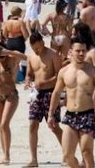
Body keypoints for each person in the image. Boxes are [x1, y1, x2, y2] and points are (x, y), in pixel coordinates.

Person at [48, 37, 95, 168]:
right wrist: (50, 114)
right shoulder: (64, 72)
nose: (81, 54)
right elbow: (57, 93)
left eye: (83, 51)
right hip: (70, 115)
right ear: (71, 52)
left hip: (87, 115)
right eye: (78, 51)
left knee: (87, 152)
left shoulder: (93, 71)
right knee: (67, 155)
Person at [25, 33, 63, 167]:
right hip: (36, 94)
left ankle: (67, 154)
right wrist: (28, 81)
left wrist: (45, 82)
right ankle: (34, 159)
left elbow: (60, 75)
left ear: (42, 42)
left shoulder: (53, 55)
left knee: (54, 126)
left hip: (51, 93)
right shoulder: (31, 56)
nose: (37, 51)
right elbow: (29, 74)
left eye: (38, 48)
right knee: (32, 125)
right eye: (34, 49)